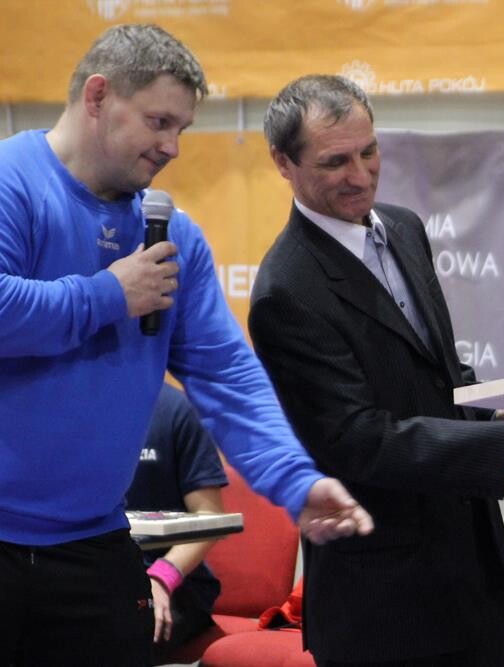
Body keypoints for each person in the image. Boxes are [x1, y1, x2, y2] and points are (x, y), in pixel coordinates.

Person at [0, 25, 371, 667]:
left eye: (183, 128)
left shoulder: (172, 236)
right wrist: (108, 296)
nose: (172, 146)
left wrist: (295, 480)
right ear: (97, 96)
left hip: (96, 547)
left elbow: (228, 376)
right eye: (159, 122)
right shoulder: (12, 183)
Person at [248, 74, 504, 667]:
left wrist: (500, 412)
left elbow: (439, 376)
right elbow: (360, 441)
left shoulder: (404, 229)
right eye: (335, 162)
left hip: (472, 573)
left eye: (369, 152)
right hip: (384, 608)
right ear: (283, 163)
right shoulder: (286, 290)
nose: (360, 175)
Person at [126, 384, 228, 662]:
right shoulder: (76, 407)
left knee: (110, 633)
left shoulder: (176, 409)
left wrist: (162, 578)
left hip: (170, 582)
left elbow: (209, 517)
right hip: (98, 570)